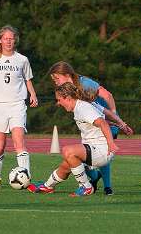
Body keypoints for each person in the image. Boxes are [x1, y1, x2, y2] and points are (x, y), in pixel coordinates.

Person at [0, 25, 38, 189]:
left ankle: (26, 178)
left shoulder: (22, 59)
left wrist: (33, 94)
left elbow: (28, 79)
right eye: (6, 38)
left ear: (15, 40)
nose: (9, 41)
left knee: (19, 142)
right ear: (0, 40)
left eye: (11, 38)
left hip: (17, 105)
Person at [29, 82, 118, 196]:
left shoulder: (82, 107)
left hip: (102, 150)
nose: (58, 103)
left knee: (68, 151)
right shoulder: (80, 106)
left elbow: (102, 123)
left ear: (68, 98)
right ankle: (47, 186)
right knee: (65, 166)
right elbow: (102, 117)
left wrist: (111, 144)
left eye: (59, 99)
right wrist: (121, 124)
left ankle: (86, 187)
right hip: (95, 149)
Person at [48, 61, 119, 195]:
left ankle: (106, 186)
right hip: (94, 121)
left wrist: (114, 115)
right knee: (83, 154)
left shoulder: (84, 82)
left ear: (67, 74)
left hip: (104, 120)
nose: (56, 82)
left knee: (100, 150)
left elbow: (107, 95)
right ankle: (94, 178)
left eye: (57, 78)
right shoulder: (69, 90)